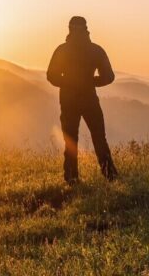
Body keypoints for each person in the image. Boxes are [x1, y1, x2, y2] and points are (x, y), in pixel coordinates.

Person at [47, 16, 118, 184]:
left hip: (68, 100)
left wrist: (69, 82)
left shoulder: (62, 50)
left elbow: (51, 76)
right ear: (86, 29)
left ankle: (72, 178)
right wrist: (90, 81)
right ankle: (110, 175)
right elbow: (109, 76)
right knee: (99, 138)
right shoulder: (96, 50)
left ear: (69, 29)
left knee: (70, 140)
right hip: (90, 99)